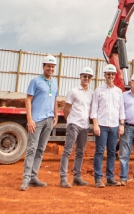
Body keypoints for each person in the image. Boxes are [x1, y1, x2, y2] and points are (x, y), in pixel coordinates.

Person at [20, 54, 59, 191]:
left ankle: (33, 177)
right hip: (36, 120)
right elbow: (28, 100)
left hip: (49, 120)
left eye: (53, 66)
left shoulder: (54, 82)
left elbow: (54, 99)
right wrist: (29, 119)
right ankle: (25, 179)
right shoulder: (35, 81)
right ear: (43, 66)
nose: (51, 69)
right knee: (31, 149)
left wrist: (56, 115)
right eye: (48, 66)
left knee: (41, 149)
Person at [91, 63, 125, 187]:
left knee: (112, 152)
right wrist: (95, 125)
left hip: (114, 126)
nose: (110, 76)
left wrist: (121, 125)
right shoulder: (98, 91)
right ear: (104, 75)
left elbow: (121, 109)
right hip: (102, 126)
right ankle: (98, 178)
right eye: (108, 74)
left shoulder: (118, 92)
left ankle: (110, 178)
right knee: (99, 152)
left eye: (112, 74)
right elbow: (94, 109)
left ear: (115, 76)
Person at [59, 67, 94, 188]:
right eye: (85, 76)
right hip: (74, 124)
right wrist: (69, 121)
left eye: (89, 77)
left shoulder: (91, 94)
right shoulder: (73, 91)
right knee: (68, 151)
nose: (87, 79)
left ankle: (77, 177)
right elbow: (66, 108)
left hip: (84, 126)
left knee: (80, 152)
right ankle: (63, 178)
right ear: (80, 77)